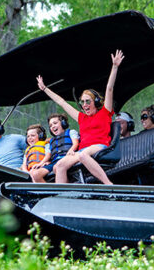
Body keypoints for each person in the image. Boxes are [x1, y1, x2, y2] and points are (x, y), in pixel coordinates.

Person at [36, 49, 125, 184]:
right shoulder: (81, 117)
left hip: (100, 146)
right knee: (58, 166)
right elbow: (61, 102)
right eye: (82, 102)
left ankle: (109, 184)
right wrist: (44, 89)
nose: (84, 104)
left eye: (87, 101)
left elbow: (109, 88)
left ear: (95, 102)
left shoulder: (105, 112)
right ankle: (63, 198)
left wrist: (114, 67)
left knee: (83, 155)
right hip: (82, 150)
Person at [29, 114, 80, 183]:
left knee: (57, 167)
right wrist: (42, 163)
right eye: (50, 126)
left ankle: (62, 191)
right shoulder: (50, 142)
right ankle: (49, 193)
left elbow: (75, 143)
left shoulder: (71, 132)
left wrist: (71, 150)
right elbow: (48, 155)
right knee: (35, 174)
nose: (53, 126)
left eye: (55, 123)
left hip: (68, 158)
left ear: (63, 123)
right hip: (54, 162)